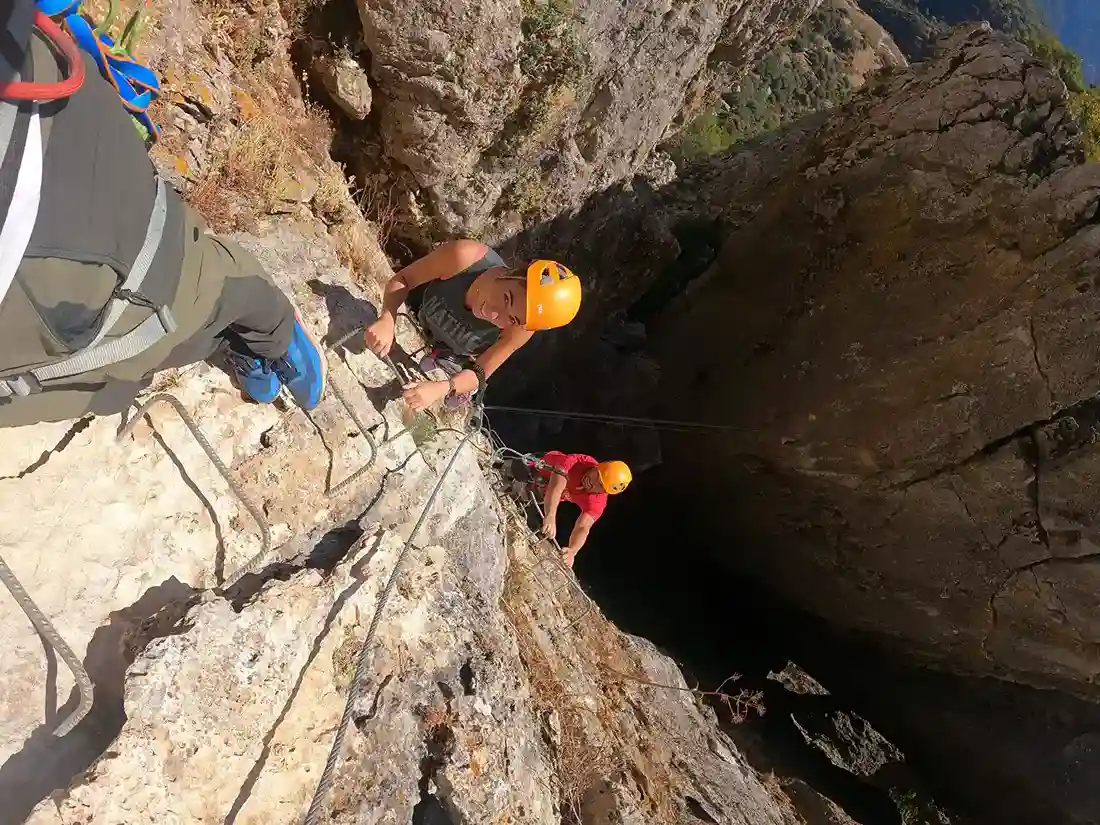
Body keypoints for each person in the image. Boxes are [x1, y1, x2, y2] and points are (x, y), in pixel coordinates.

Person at [0, 0, 326, 429]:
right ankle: (236, 338)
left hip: (59, 201)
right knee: (117, 373)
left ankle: (276, 331)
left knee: (193, 283)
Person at [363, 240, 582, 412]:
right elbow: (404, 279)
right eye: (507, 298)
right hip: (425, 318)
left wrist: (443, 388)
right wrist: (387, 317)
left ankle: (451, 370)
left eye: (512, 319)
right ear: (513, 273)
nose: (495, 315)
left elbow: (480, 371)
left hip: (459, 355)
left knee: (444, 382)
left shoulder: (522, 329)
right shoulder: (464, 258)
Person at [502, 451, 632, 568]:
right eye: (597, 476)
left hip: (543, 492)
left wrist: (572, 551)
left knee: (524, 496)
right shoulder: (577, 462)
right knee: (511, 469)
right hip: (540, 468)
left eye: (601, 486)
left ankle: (512, 490)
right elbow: (556, 488)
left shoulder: (597, 502)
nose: (593, 483)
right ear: (596, 467)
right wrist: (550, 516)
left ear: (604, 492)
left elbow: (583, 527)